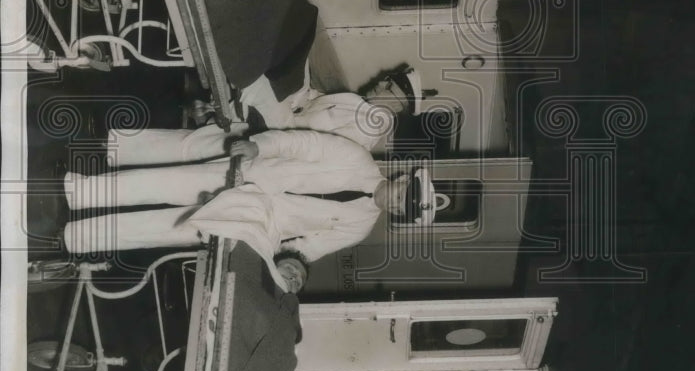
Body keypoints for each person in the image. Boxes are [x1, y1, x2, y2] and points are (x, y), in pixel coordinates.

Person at [61, 130, 435, 272]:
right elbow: (301, 143)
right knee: (158, 183)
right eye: (402, 195)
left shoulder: (360, 227)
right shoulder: (357, 157)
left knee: (161, 230)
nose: (396, 203)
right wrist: (260, 146)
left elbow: (307, 248)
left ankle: (77, 238)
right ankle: (81, 192)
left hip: (251, 220)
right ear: (402, 178)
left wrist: (282, 260)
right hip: (249, 174)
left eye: (402, 209)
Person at [187, 64, 423, 152]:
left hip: (287, 137)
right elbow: (313, 99)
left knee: (260, 84)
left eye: (388, 86)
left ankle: (217, 103)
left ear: (397, 104)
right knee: (294, 62)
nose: (380, 83)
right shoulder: (361, 105)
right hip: (290, 118)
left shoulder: (369, 130)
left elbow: (315, 147)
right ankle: (214, 109)